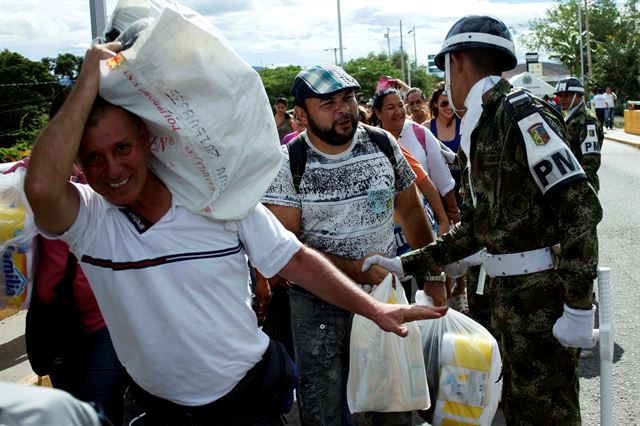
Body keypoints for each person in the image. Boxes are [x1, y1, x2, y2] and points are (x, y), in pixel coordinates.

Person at [24, 43, 447, 426]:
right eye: (93, 158)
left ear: (147, 139)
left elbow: (294, 258)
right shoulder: (92, 222)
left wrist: (376, 309)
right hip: (160, 410)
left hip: (249, 403)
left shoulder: (216, 201)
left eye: (122, 149)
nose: (113, 171)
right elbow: (41, 186)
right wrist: (88, 79)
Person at [364, 15, 602, 425]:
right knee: (516, 409)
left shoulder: (518, 115)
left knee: (549, 414)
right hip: (507, 296)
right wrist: (410, 263)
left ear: (455, 62)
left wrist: (579, 304)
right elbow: (478, 226)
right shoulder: (484, 121)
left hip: (540, 298)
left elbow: (580, 206)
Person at [261, 64, 447, 425]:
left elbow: (410, 214)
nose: (343, 109)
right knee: (325, 412)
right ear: (301, 114)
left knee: (393, 408)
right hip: (317, 307)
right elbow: (287, 247)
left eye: (347, 98)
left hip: (385, 297)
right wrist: (353, 267)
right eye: (328, 103)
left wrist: (433, 277)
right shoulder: (288, 163)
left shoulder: (382, 144)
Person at [554, 77, 604, 192]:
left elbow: (591, 161)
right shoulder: (569, 116)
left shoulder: (587, 120)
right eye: (560, 95)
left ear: (579, 95)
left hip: (581, 189)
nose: (561, 99)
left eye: (567, 95)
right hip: (568, 183)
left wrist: (578, 188)